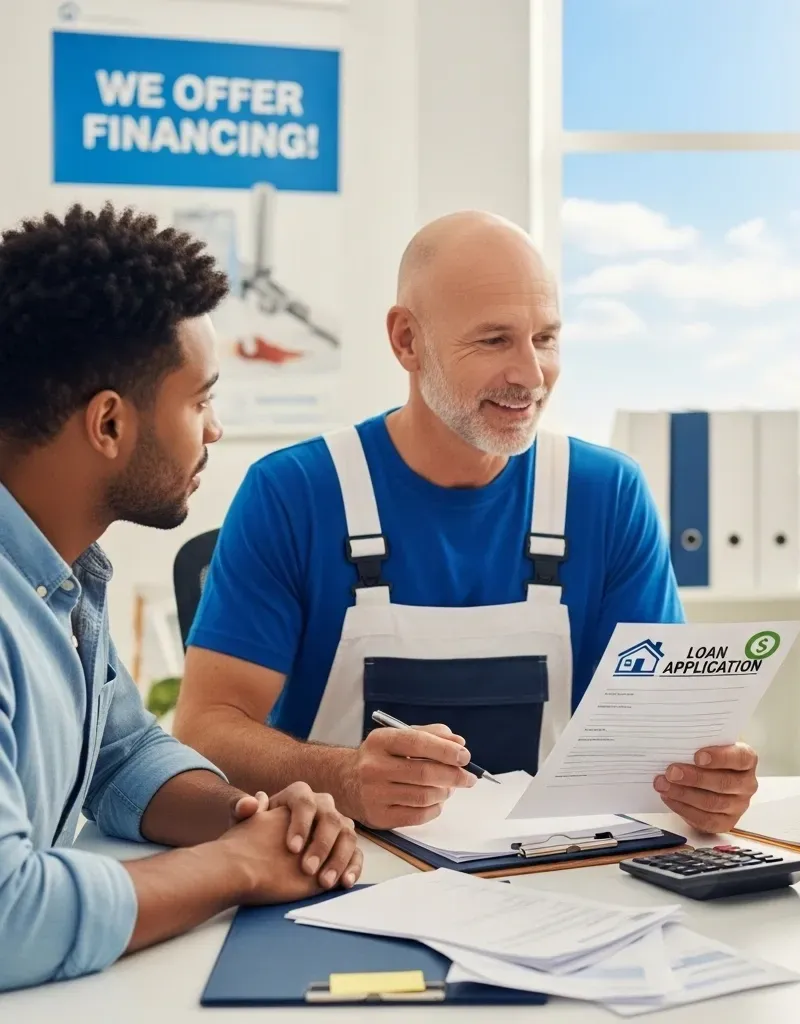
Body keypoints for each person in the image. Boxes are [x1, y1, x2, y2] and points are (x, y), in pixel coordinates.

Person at [174, 210, 761, 834]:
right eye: (494, 341)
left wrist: (702, 784)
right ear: (407, 341)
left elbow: (655, 736)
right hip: (344, 865)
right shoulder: (293, 493)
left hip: (549, 867)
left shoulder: (608, 494)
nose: (531, 376)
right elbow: (205, 730)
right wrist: (341, 776)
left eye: (545, 338)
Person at [0, 205, 362, 994]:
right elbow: (7, 914)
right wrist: (237, 866)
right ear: (108, 424)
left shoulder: (60, 580)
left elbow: (124, 754)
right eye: (200, 401)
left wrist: (252, 819)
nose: (215, 430)